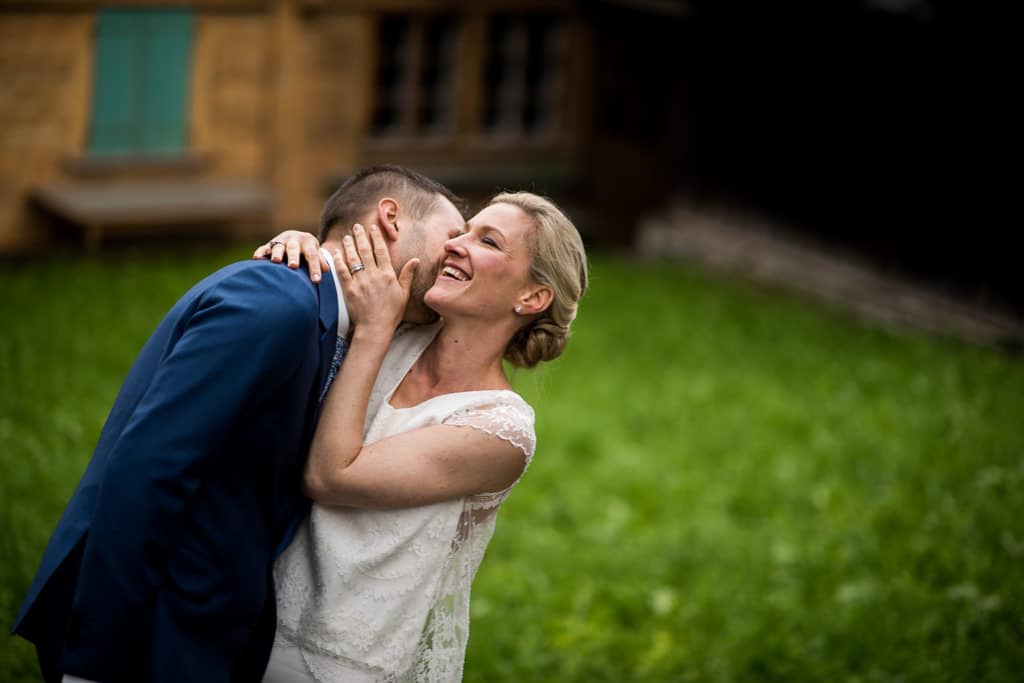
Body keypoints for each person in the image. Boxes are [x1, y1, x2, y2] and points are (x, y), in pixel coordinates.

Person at [11, 165, 465, 683]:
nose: (456, 258)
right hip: (146, 628)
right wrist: (95, 660)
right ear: (389, 218)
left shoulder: (344, 322)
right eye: (451, 239)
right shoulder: (275, 299)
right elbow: (149, 468)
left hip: (207, 630)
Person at [256, 192, 588, 682]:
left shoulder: (498, 429)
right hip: (250, 623)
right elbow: (323, 288)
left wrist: (373, 330)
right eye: (464, 230)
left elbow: (330, 476)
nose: (456, 244)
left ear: (532, 297)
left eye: (488, 242)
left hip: (340, 665)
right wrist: (303, 253)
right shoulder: (396, 326)